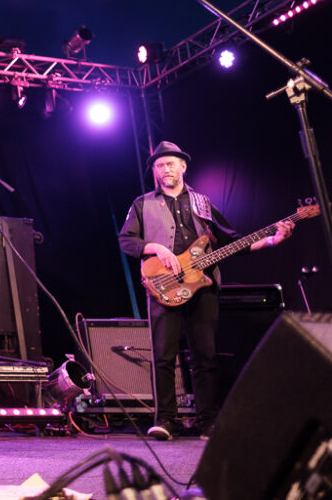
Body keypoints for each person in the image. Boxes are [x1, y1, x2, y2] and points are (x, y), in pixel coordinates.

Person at [118, 141, 293, 441]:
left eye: (171, 163)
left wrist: (271, 241)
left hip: (204, 286)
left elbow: (231, 242)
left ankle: (207, 421)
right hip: (163, 285)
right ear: (155, 172)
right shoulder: (142, 204)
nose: (165, 169)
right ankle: (166, 421)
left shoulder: (202, 202)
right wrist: (156, 247)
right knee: (163, 355)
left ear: (183, 166)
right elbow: (127, 241)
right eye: (160, 165)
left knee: (205, 355)